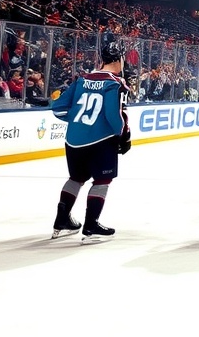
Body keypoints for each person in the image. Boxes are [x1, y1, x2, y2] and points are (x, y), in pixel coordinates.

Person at [49, 39, 131, 244]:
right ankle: (91, 224)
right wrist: (124, 136)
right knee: (102, 180)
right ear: (118, 59)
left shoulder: (82, 79)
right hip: (101, 140)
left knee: (76, 178)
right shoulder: (115, 83)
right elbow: (114, 116)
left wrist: (78, 122)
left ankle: (61, 220)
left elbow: (58, 108)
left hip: (73, 140)